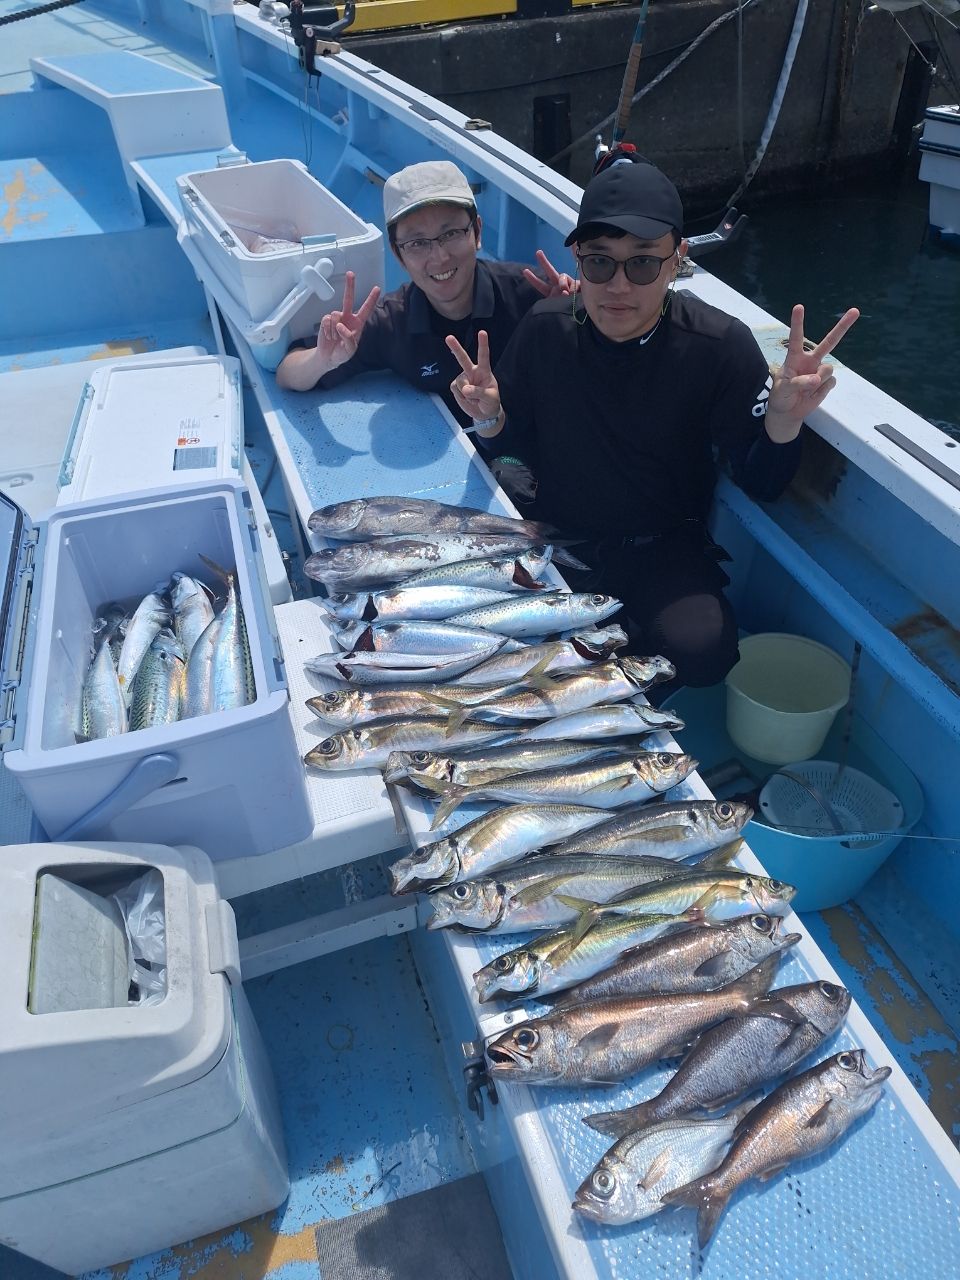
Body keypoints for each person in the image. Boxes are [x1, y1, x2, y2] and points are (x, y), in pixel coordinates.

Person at [445, 158, 859, 690]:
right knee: (509, 659)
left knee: (704, 653)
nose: (619, 285)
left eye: (642, 264)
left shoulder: (718, 346)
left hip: (664, 542)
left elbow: (763, 482)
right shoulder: (546, 329)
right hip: (556, 536)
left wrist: (781, 420)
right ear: (577, 257)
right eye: (599, 263)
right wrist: (492, 417)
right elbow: (515, 445)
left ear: (676, 260)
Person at [275, 160, 574, 426]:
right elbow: (287, 372)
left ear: (478, 233)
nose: (440, 257)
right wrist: (323, 361)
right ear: (397, 254)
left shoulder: (530, 294)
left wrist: (573, 314)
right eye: (417, 243)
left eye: (451, 233)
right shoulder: (393, 321)